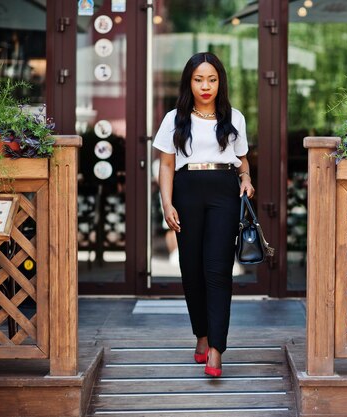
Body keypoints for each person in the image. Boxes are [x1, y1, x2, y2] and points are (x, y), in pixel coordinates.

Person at [153, 52, 254, 378]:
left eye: (212, 79)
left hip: (224, 192)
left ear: (220, 81)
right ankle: (201, 335)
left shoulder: (233, 117)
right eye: (199, 79)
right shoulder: (174, 119)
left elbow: (242, 161)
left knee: (218, 271)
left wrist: (247, 179)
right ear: (189, 82)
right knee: (191, 270)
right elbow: (166, 166)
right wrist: (167, 204)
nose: (206, 86)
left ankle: (216, 350)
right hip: (186, 191)